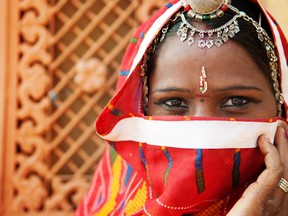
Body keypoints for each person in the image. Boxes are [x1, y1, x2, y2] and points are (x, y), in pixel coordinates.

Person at [76, 0, 288, 215]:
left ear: (282, 104)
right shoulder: (113, 198)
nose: (204, 136)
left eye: (237, 101)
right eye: (174, 103)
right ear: (142, 109)